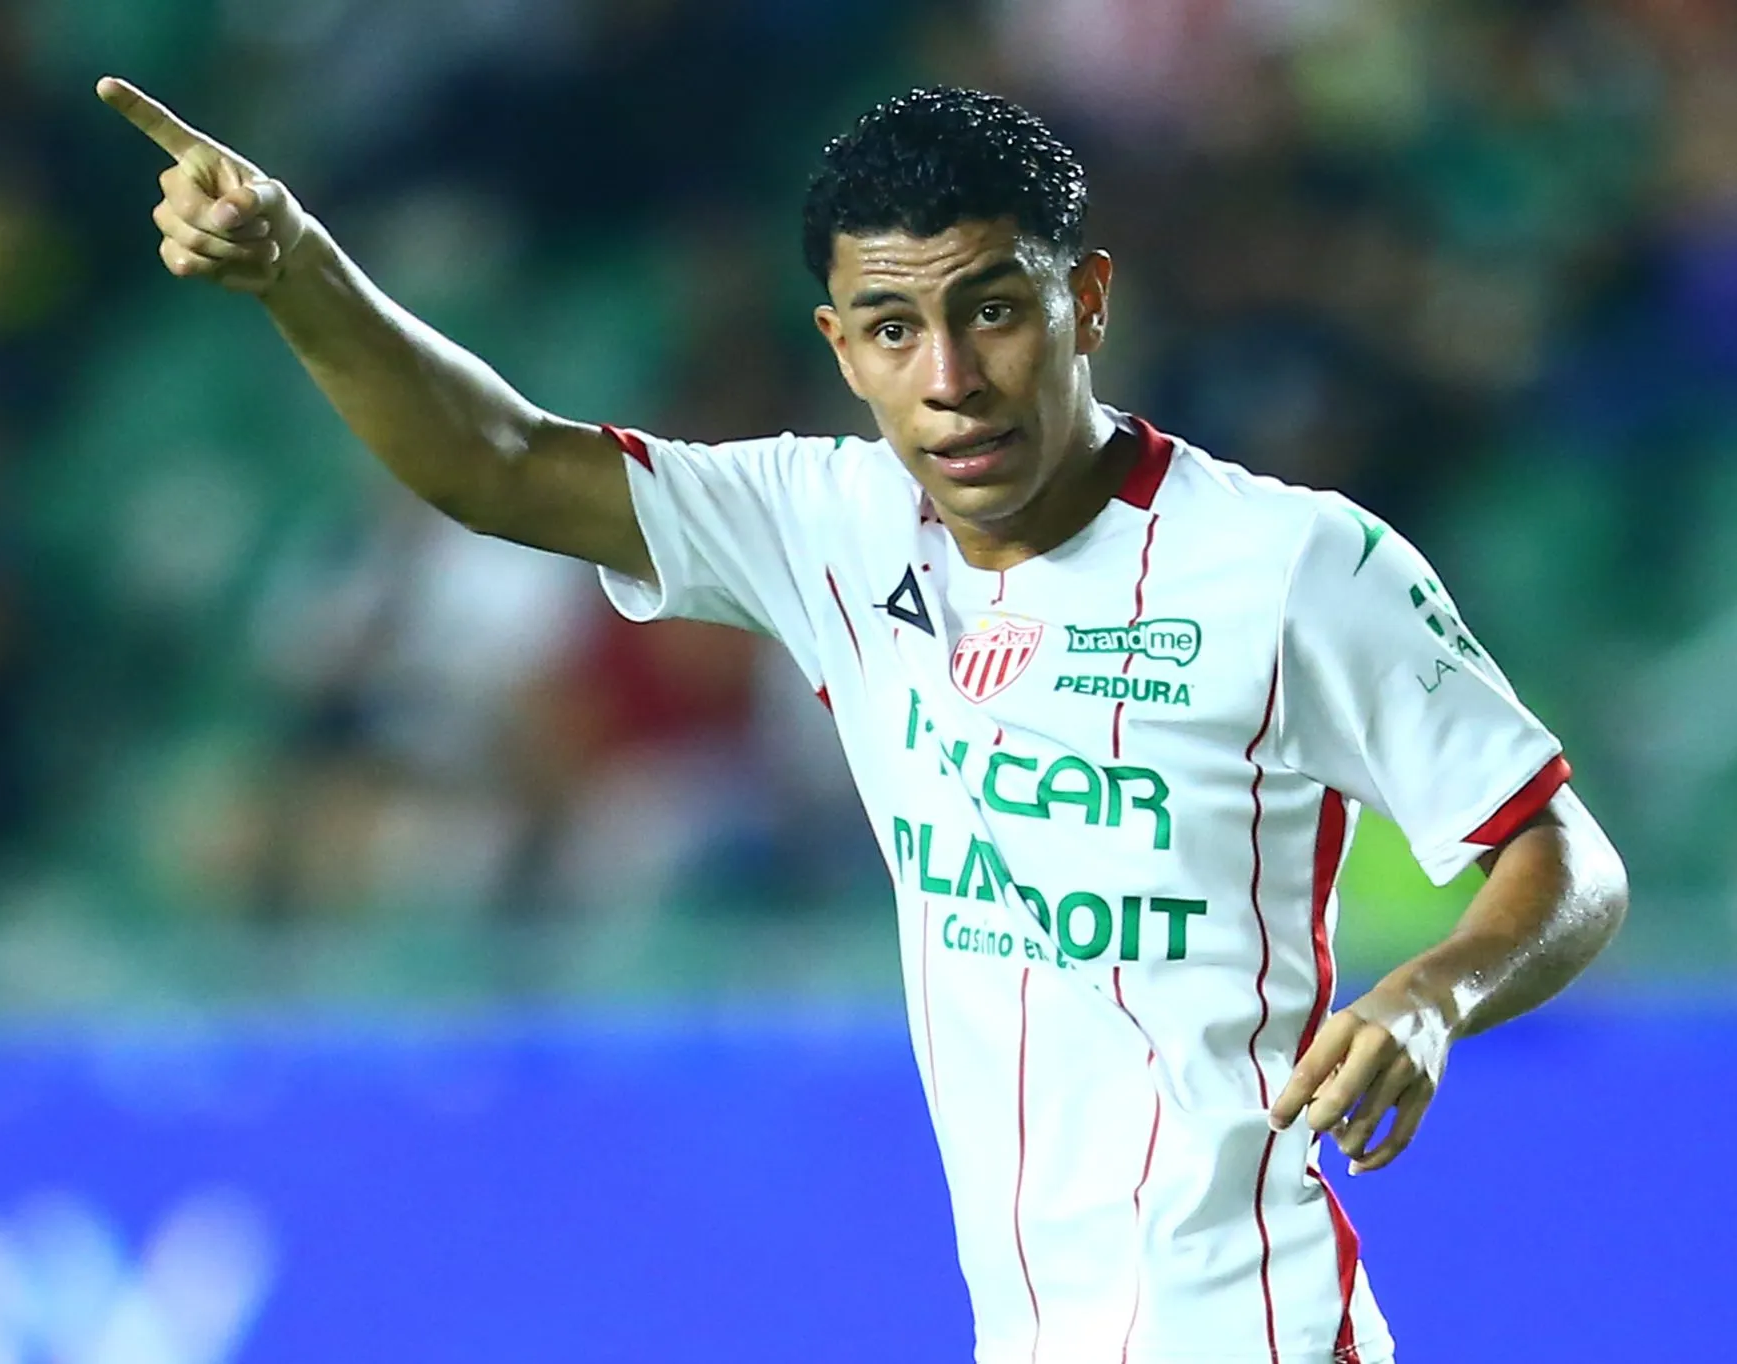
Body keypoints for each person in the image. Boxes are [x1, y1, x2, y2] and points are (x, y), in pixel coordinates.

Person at [97, 76, 1630, 1363]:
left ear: (1083, 300)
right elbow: (494, 461)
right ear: (841, 348)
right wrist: (296, 266)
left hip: (1253, 1325)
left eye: (992, 311)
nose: (951, 378)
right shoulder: (825, 524)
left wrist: (1427, 998)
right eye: (893, 330)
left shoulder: (1292, 564)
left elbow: (1562, 859)